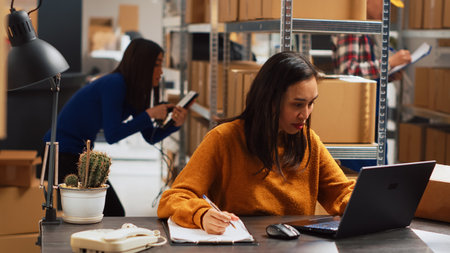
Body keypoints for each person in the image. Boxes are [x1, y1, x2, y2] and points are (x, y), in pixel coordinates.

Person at [157, 51, 355, 235]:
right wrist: (201, 215)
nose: (305, 114)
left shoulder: (308, 141)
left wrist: (369, 205)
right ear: (270, 100)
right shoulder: (224, 139)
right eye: (297, 104)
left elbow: (342, 193)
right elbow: (173, 198)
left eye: (311, 103)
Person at [42, 38, 190, 216]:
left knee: (108, 212)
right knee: (112, 212)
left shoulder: (134, 91)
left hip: (77, 155)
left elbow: (150, 137)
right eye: (157, 64)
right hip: (61, 154)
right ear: (143, 64)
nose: (161, 71)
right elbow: (112, 135)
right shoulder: (115, 83)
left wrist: (175, 124)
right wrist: (149, 114)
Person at [331, 0, 412, 171]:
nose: (387, 10)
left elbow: (366, 73)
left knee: (379, 168)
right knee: (363, 171)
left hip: (371, 111)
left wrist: (388, 75)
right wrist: (388, 63)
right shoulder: (351, 28)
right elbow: (348, 71)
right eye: (385, 4)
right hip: (356, 113)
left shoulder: (367, 29)